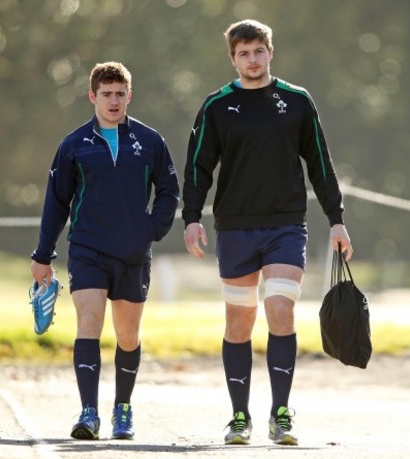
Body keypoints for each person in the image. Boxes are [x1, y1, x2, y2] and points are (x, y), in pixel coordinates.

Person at [182, 19, 353, 446]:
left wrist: (336, 218)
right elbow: (199, 166)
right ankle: (240, 416)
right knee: (239, 323)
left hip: (285, 225)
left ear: (270, 52)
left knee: (280, 310)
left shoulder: (297, 101)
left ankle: (281, 414)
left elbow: (319, 161)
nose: (252, 60)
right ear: (233, 58)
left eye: (258, 51)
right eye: (243, 53)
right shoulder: (217, 106)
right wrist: (190, 218)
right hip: (235, 226)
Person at [30, 61, 179, 440]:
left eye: (120, 94)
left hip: (133, 253)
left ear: (129, 96)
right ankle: (89, 412)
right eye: (106, 94)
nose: (113, 101)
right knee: (89, 324)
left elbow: (169, 191)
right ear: (93, 96)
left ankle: (123, 409)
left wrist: (152, 228)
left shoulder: (149, 141)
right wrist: (42, 256)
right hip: (87, 249)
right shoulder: (74, 144)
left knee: (128, 337)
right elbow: (56, 203)